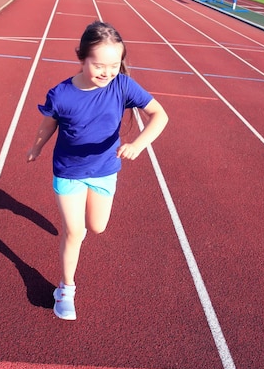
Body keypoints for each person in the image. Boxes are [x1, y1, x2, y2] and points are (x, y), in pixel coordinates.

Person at [27, 21, 168, 320]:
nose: (107, 72)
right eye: (99, 65)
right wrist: (37, 147)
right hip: (68, 171)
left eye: (114, 65)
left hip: (104, 170)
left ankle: (74, 235)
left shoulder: (123, 85)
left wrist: (139, 144)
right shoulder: (62, 94)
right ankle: (66, 289)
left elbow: (159, 115)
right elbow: (48, 124)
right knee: (75, 232)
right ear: (82, 58)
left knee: (98, 227)